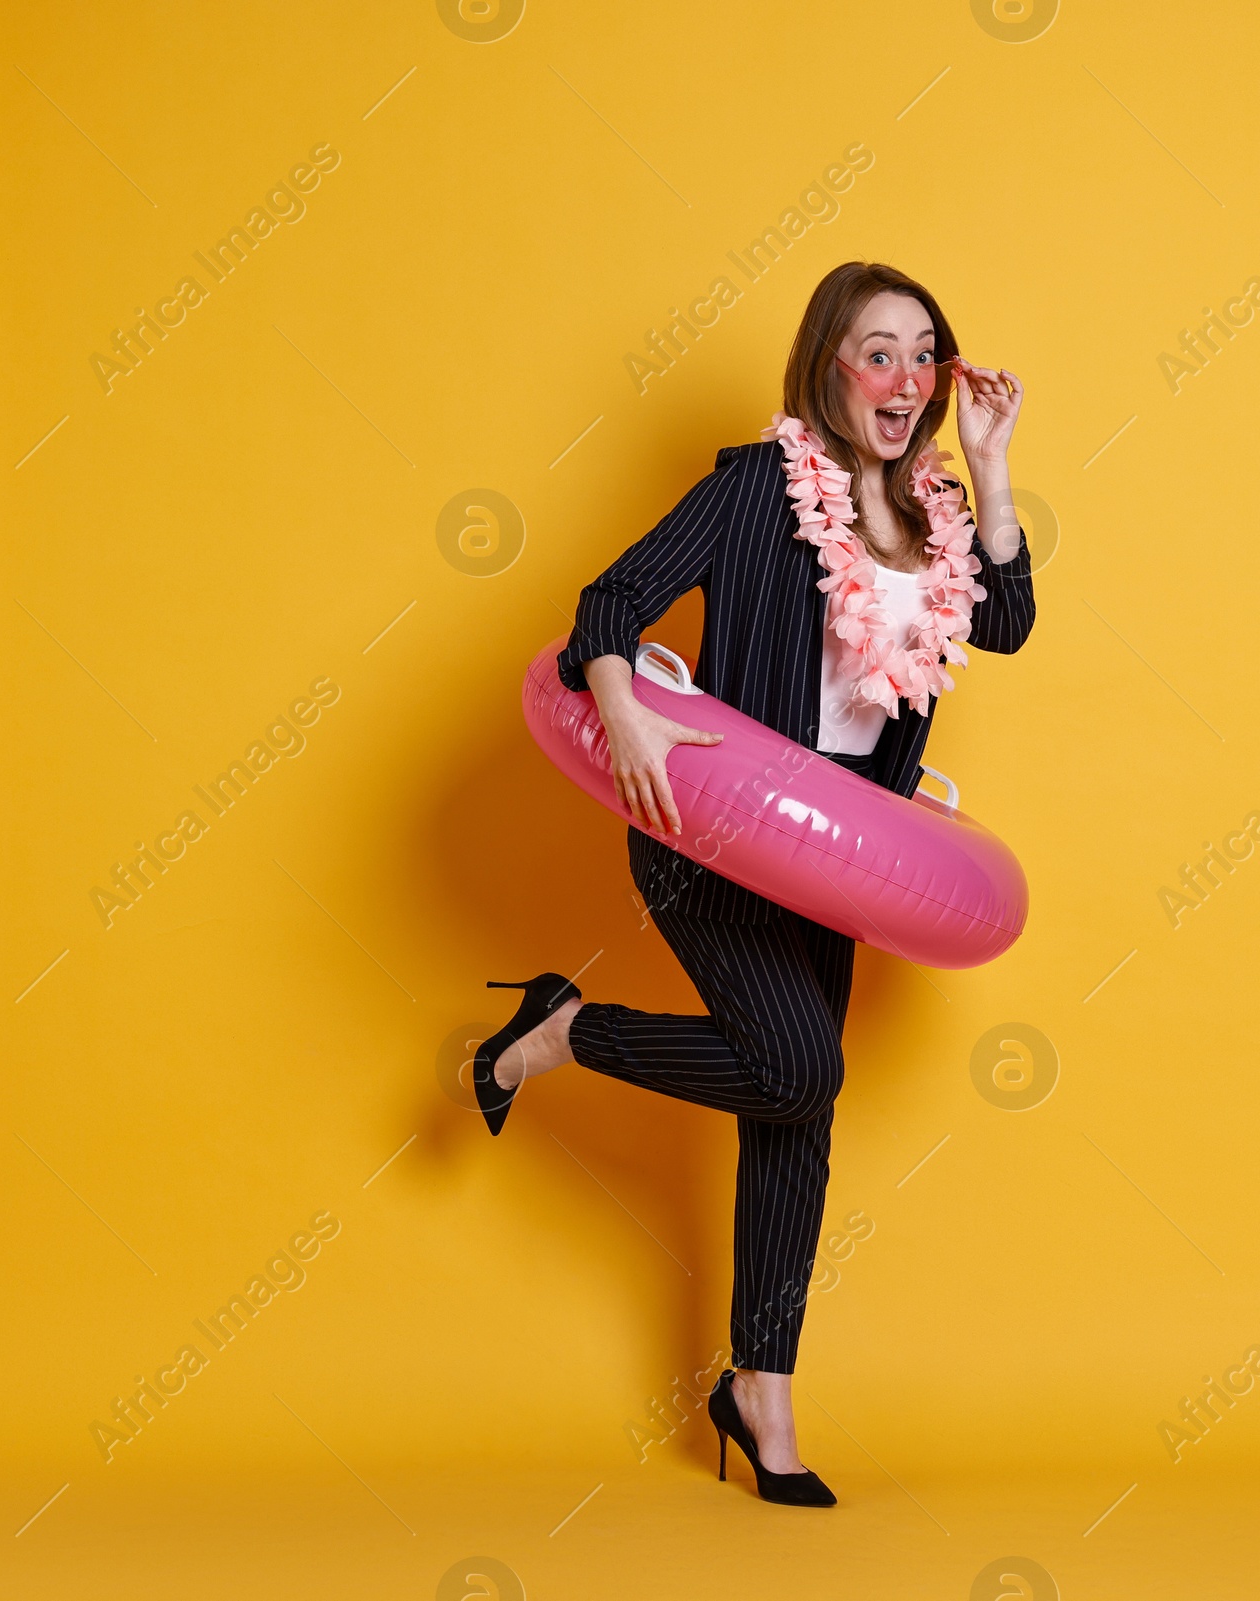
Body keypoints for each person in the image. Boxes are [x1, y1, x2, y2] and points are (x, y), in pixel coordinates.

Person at [471, 261, 1035, 1506]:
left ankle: (759, 1391)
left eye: (924, 353)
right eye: (876, 349)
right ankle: (564, 1029)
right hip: (710, 830)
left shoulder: (937, 514)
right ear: (829, 365)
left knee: (794, 1119)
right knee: (798, 1070)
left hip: (841, 861)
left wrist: (991, 469)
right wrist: (622, 711)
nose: (904, 377)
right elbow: (608, 602)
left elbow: (1004, 624)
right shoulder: (756, 489)